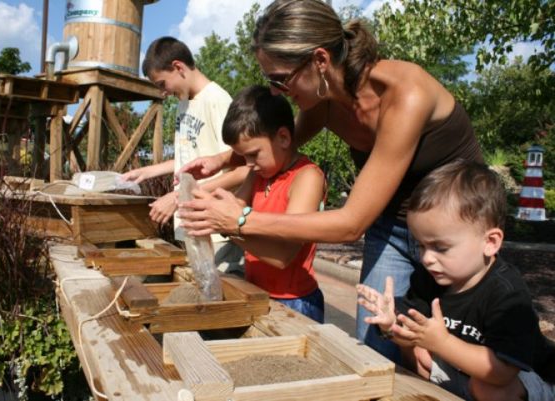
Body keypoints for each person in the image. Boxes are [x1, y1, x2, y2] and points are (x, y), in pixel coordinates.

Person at [176, 0, 483, 361]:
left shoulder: (404, 93)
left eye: (280, 78)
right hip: (392, 225)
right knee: (375, 347)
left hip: (458, 228)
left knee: (454, 353)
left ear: (319, 61)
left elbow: (351, 224)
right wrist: (222, 159)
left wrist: (241, 220)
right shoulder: (322, 102)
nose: (276, 92)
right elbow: (277, 149)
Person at [356, 160, 555, 401]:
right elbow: (412, 335)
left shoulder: (507, 294)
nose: (427, 258)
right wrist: (391, 327)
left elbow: (501, 372)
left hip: (523, 380)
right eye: (421, 245)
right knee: (418, 351)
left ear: (490, 242)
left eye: (440, 247)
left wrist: (442, 343)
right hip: (464, 373)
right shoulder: (428, 277)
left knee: (488, 389)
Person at [121, 37, 247, 275]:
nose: (163, 92)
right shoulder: (184, 104)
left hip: (215, 228)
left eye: (162, 84)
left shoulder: (218, 102)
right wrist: (147, 171)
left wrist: (179, 197)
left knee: (222, 299)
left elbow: (241, 167)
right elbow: (193, 155)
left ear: (178, 67)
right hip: (192, 223)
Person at [218, 84, 326, 322]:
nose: (248, 163)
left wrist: (224, 224)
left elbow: (282, 255)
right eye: (243, 156)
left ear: (284, 138)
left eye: (254, 154)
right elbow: (233, 207)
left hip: (295, 302)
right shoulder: (258, 173)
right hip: (255, 291)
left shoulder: (307, 178)